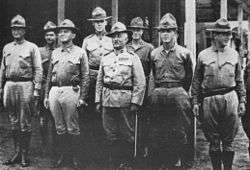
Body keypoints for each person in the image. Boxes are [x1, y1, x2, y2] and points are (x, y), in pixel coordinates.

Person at [191, 18, 246, 170]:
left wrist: (242, 101)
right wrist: (195, 102)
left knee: (228, 141)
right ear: (214, 35)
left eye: (229, 34)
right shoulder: (203, 55)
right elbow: (196, 81)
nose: (228, 37)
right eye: (224, 34)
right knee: (213, 140)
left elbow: (239, 80)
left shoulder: (234, 55)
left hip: (230, 98)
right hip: (209, 100)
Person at [95, 22, 146, 169]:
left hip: (125, 101)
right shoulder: (106, 57)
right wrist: (98, 100)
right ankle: (114, 162)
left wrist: (136, 102)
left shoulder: (132, 57)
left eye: (120, 36)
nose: (116, 39)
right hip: (107, 100)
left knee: (127, 134)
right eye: (114, 36)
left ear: (126, 38)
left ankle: (126, 163)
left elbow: (140, 82)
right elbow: (99, 81)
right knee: (110, 134)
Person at [149, 13, 194, 169]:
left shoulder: (184, 53)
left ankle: (183, 160)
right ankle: (164, 161)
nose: (165, 34)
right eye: (162, 31)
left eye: (169, 31)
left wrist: (183, 92)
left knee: (180, 128)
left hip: (178, 91)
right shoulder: (154, 53)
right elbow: (153, 75)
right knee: (160, 128)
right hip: (160, 91)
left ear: (176, 33)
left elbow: (190, 76)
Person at [44, 19, 89, 168]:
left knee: (73, 127)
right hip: (55, 91)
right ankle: (63, 157)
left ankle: (74, 158)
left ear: (73, 35)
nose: (62, 34)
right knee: (59, 127)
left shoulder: (80, 52)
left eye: (66, 31)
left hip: (72, 90)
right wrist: (46, 96)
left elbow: (86, 77)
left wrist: (82, 98)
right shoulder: (55, 52)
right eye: (60, 32)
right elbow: (49, 76)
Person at [0, 14, 43, 167]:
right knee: (13, 120)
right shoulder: (7, 47)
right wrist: (1, 87)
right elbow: (2, 69)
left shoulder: (32, 47)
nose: (16, 31)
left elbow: (38, 69)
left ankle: (25, 154)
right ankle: (16, 152)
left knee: (24, 121)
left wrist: (37, 89)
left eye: (19, 29)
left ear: (24, 31)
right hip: (10, 85)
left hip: (25, 85)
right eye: (14, 29)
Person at [127, 17, 154, 163]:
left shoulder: (149, 48)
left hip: (143, 87)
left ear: (142, 31)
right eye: (133, 30)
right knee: (129, 119)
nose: (136, 32)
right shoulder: (126, 47)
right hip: (129, 86)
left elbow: (152, 70)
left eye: (139, 30)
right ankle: (130, 150)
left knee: (143, 120)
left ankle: (143, 150)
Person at [39, 21, 57, 150]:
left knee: (56, 117)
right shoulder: (39, 51)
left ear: (56, 35)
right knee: (43, 117)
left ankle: (56, 146)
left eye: (51, 34)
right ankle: (44, 145)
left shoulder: (60, 50)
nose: (49, 37)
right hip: (44, 85)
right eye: (47, 35)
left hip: (56, 86)